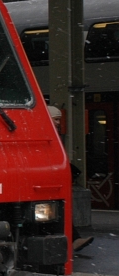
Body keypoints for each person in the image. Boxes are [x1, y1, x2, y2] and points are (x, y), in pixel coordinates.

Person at [48, 105, 94, 253]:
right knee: (57, 212)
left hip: (52, 180)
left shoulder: (51, 135)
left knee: (58, 212)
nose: (58, 123)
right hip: (49, 181)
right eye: (56, 119)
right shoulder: (49, 136)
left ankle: (72, 240)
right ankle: (72, 240)